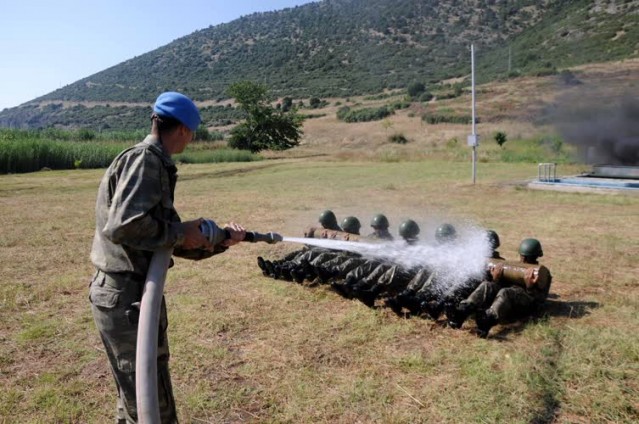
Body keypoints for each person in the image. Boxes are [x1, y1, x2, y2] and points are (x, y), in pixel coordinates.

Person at [89, 91, 246, 423]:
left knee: (136, 399)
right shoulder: (146, 159)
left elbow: (158, 236)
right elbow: (125, 226)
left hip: (130, 294)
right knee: (150, 406)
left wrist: (218, 243)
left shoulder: (148, 160)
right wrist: (181, 231)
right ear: (185, 131)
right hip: (126, 297)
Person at [454, 238, 552, 337]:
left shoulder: (543, 275)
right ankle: (462, 311)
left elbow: (539, 301)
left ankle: (487, 320)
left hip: (525, 306)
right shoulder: (515, 267)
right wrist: (496, 278)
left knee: (506, 292)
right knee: (488, 285)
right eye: (523, 256)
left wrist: (530, 287)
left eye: (527, 257)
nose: (523, 259)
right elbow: (502, 286)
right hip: (509, 301)